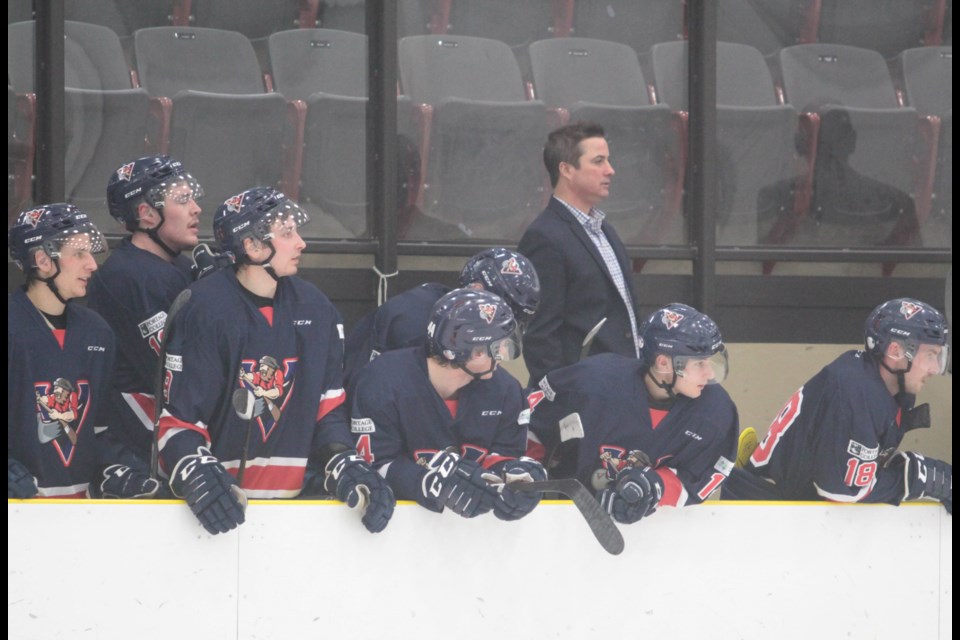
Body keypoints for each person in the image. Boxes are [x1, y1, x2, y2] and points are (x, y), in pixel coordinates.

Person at [156, 187, 394, 534]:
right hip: (217, 509)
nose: (301, 243)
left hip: (295, 512)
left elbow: (328, 407)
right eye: (287, 234)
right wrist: (195, 470)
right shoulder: (204, 309)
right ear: (252, 246)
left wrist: (343, 457)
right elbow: (179, 419)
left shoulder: (315, 308)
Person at [728, 298, 951, 512]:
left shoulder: (887, 387)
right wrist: (913, 478)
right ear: (895, 351)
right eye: (930, 355)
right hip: (761, 512)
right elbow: (841, 491)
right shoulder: (856, 391)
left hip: (786, 508)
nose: (934, 369)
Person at [526, 303, 738, 524]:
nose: (710, 373)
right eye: (700, 363)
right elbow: (530, 424)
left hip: (653, 531)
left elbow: (704, 477)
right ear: (664, 362)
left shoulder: (715, 412)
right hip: (562, 518)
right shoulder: (593, 382)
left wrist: (657, 486)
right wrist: (528, 474)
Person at [350, 288, 547, 521]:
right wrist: (425, 482)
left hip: (470, 538)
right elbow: (373, 466)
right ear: (464, 348)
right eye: (497, 345)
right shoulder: (384, 380)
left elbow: (503, 455)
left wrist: (515, 476)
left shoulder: (506, 390)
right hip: (396, 528)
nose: (503, 353)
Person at [8, 204, 159, 499]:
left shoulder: (97, 331)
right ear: (43, 260)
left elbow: (99, 425)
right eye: (79, 254)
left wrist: (117, 468)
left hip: (82, 515)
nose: (92, 264)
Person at [86, 155, 220, 474]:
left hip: (176, 428)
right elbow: (171, 374)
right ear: (146, 214)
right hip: (145, 447)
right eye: (182, 199)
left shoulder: (178, 266)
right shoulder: (127, 277)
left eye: (193, 197)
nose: (196, 208)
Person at [518, 121, 640, 386]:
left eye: (608, 160)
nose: (611, 170)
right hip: (583, 392)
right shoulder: (545, 237)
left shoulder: (606, 231)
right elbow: (540, 334)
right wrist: (563, 395)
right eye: (598, 161)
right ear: (567, 170)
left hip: (625, 383)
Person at [343, 247, 540, 391]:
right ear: (476, 290)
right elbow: (386, 394)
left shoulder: (460, 319)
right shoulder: (413, 321)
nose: (501, 327)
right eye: (501, 312)